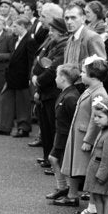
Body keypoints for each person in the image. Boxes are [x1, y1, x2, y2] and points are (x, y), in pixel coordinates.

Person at [60, 58, 108, 214]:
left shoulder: (98, 93)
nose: (81, 75)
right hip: (80, 135)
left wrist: (88, 140)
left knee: (91, 174)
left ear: (93, 76)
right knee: (83, 171)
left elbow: (96, 120)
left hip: (85, 138)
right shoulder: (91, 89)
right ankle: (90, 204)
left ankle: (93, 207)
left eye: (83, 72)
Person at [30, 10, 68, 164]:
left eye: (53, 30)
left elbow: (52, 68)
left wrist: (38, 80)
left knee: (52, 127)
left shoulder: (63, 46)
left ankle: (54, 161)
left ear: (61, 31)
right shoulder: (53, 43)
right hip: (45, 90)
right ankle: (47, 158)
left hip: (53, 91)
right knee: (45, 127)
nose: (50, 32)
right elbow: (41, 61)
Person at [47, 64, 83, 207]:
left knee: (59, 161)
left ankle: (67, 190)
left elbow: (74, 119)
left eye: (57, 76)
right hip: (61, 133)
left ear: (63, 78)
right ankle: (62, 187)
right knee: (56, 159)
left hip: (66, 135)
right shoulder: (66, 93)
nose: (55, 79)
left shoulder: (70, 97)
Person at [0, 14, 36, 137]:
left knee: (23, 104)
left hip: (22, 77)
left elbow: (31, 61)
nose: (13, 29)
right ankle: (4, 127)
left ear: (22, 26)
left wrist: (29, 78)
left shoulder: (30, 41)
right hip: (11, 76)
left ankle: (23, 128)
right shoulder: (15, 39)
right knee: (5, 100)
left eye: (15, 26)